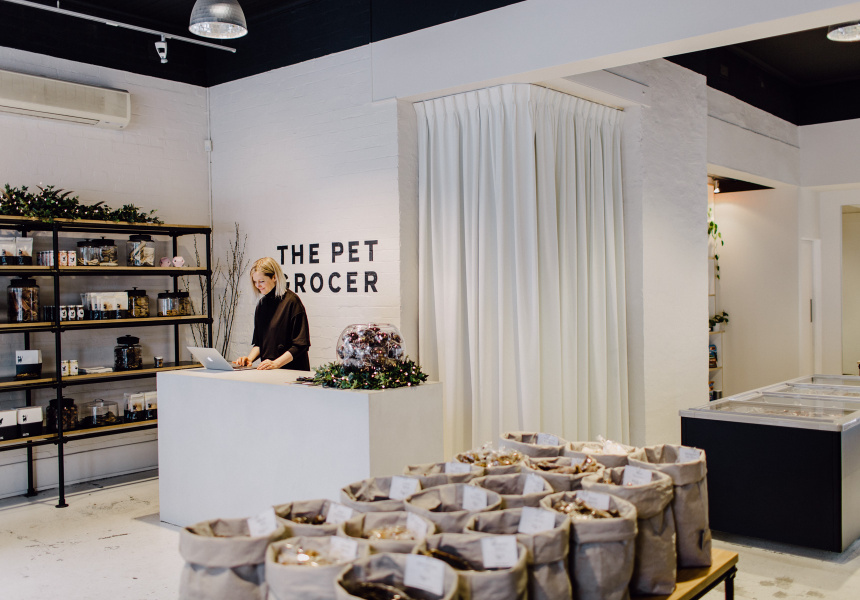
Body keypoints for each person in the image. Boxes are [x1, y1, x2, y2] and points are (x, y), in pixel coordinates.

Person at [234, 257, 311, 370]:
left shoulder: (292, 302)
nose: (257, 285)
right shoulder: (261, 305)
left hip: (292, 372)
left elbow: (300, 345)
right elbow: (260, 344)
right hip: (270, 372)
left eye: (261, 281)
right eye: (255, 282)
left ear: (274, 277)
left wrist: (276, 363)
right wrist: (249, 359)